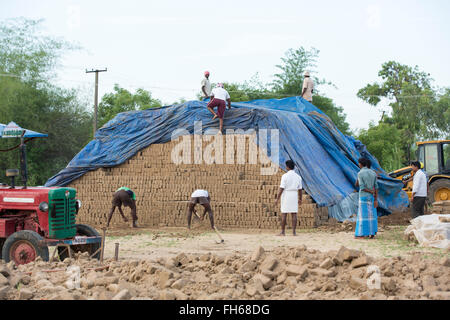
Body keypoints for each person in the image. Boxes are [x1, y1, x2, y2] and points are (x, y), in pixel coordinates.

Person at [275, 160, 303, 236]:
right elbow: (300, 190)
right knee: (294, 214)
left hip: (286, 195)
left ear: (287, 167)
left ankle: (283, 232)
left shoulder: (284, 176)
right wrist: (300, 199)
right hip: (294, 195)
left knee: (284, 214)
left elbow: (281, 188)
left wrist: (277, 198)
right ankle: (294, 232)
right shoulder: (298, 177)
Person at [354, 158, 378, 239]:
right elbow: (376, 187)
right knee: (371, 215)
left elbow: (362, 187)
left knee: (363, 216)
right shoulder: (373, 173)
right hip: (371, 197)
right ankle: (372, 233)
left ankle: (362, 234)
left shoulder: (360, 173)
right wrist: (375, 199)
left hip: (364, 196)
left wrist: (370, 191)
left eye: (359, 163)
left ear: (361, 164)